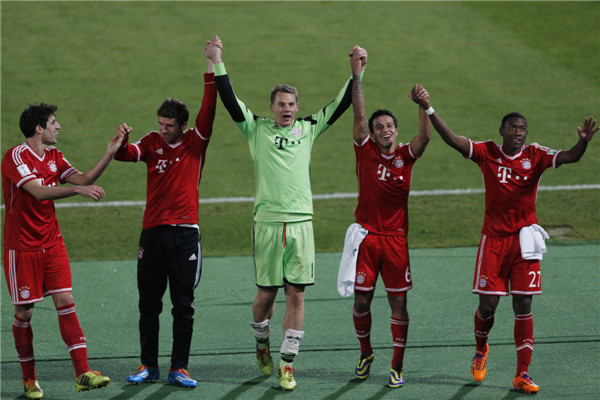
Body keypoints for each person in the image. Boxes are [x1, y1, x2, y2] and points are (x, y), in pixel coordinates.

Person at [410, 86, 597, 394]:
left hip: (524, 242)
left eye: (522, 129)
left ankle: (522, 373)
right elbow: (454, 140)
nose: (518, 133)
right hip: (494, 242)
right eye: (513, 128)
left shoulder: (536, 155)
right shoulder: (487, 152)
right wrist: (428, 108)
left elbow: (570, 157)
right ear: (502, 130)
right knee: (488, 306)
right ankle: (481, 349)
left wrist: (583, 142)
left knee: (524, 305)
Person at [205, 36, 366, 390]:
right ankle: (261, 342)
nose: (287, 109)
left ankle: (287, 363)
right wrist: (218, 61)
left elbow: (339, 107)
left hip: (301, 224)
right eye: (281, 104)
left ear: (297, 106)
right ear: (272, 107)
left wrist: (356, 75)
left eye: (291, 104)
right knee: (266, 296)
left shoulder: (308, 128)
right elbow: (231, 102)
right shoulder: (256, 128)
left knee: (297, 293)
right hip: (266, 224)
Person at [2, 102, 124, 399]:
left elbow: (83, 179)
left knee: (65, 299)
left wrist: (109, 154)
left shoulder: (55, 156)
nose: (58, 127)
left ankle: (82, 372)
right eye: (53, 122)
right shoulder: (14, 157)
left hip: (52, 242)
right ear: (38, 128)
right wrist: (77, 191)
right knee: (25, 312)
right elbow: (39, 192)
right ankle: (30, 379)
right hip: (23, 248)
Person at [116, 38, 219, 389]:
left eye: (169, 125)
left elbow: (210, 108)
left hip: (185, 234)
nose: (163, 129)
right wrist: (119, 144)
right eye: (160, 124)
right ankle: (149, 366)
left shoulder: (195, 142)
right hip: (153, 233)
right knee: (148, 304)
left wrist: (212, 63)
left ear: (182, 125)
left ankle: (180, 367)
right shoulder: (150, 142)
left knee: (183, 305)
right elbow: (126, 155)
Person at [346, 50, 431, 388]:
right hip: (367, 238)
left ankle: (397, 365)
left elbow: (425, 138)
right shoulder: (364, 151)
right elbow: (359, 111)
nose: (383, 130)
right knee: (362, 299)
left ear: (397, 131)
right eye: (378, 126)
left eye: (389, 126)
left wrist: (423, 105)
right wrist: (357, 75)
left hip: (395, 241)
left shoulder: (406, 157)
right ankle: (366, 353)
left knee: (398, 302)